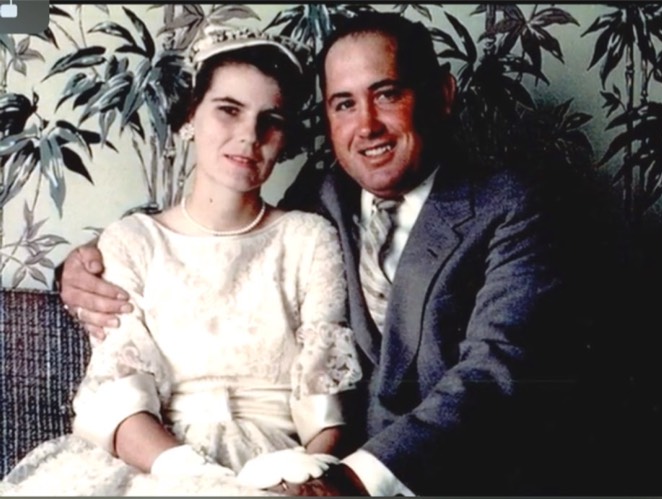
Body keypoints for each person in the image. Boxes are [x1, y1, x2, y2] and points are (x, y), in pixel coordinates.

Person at [57, 12, 600, 496]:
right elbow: (217, 244)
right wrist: (81, 266)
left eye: (387, 94)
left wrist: (351, 477)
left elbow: (495, 370)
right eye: (344, 104)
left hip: (451, 480)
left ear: (442, 95)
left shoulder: (514, 204)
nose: (367, 126)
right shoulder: (323, 199)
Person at [0, 25, 363, 496]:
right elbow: (120, 396)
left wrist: (307, 475)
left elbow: (327, 404)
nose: (248, 136)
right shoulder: (133, 241)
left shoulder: (308, 238)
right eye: (228, 110)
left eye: (270, 120)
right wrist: (199, 478)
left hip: (281, 464)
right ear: (191, 116)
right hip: (159, 461)